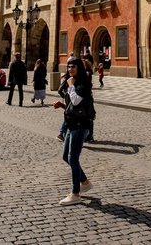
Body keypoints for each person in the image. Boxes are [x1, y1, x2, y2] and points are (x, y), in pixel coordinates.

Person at [54, 58, 95, 205]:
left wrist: (70, 86)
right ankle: (84, 182)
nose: (70, 69)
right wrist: (63, 105)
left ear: (79, 68)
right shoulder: (73, 81)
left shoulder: (83, 83)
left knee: (73, 158)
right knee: (66, 157)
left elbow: (77, 101)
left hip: (80, 126)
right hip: (72, 124)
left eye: (73, 67)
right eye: (69, 66)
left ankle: (75, 193)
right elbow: (75, 106)